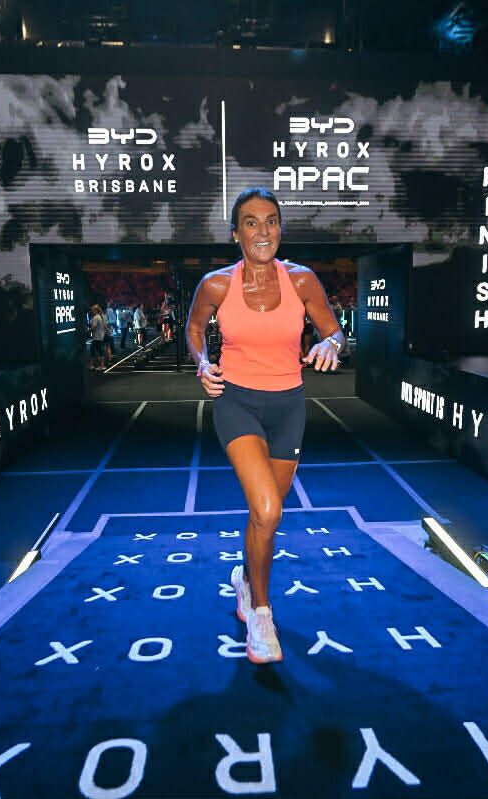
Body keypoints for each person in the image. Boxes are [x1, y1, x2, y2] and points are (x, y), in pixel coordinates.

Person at [186, 187, 345, 664]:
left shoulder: (302, 281)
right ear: (236, 233)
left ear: (280, 229)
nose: (263, 231)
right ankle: (261, 611)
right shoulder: (217, 285)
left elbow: (334, 329)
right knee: (270, 510)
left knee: (264, 518)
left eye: (271, 221)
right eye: (251, 222)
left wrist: (332, 345)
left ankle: (244, 577)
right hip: (237, 402)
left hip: (289, 406)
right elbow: (195, 330)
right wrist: (201, 361)